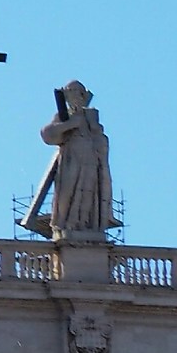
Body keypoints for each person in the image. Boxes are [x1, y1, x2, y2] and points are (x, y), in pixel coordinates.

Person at [40, 80, 117, 240]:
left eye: (79, 92)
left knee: (89, 192)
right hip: (71, 159)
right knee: (69, 193)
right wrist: (69, 125)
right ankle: (68, 224)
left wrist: (96, 131)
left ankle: (87, 224)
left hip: (91, 160)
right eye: (72, 92)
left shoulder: (90, 117)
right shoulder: (63, 116)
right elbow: (47, 134)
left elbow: (101, 140)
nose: (76, 96)